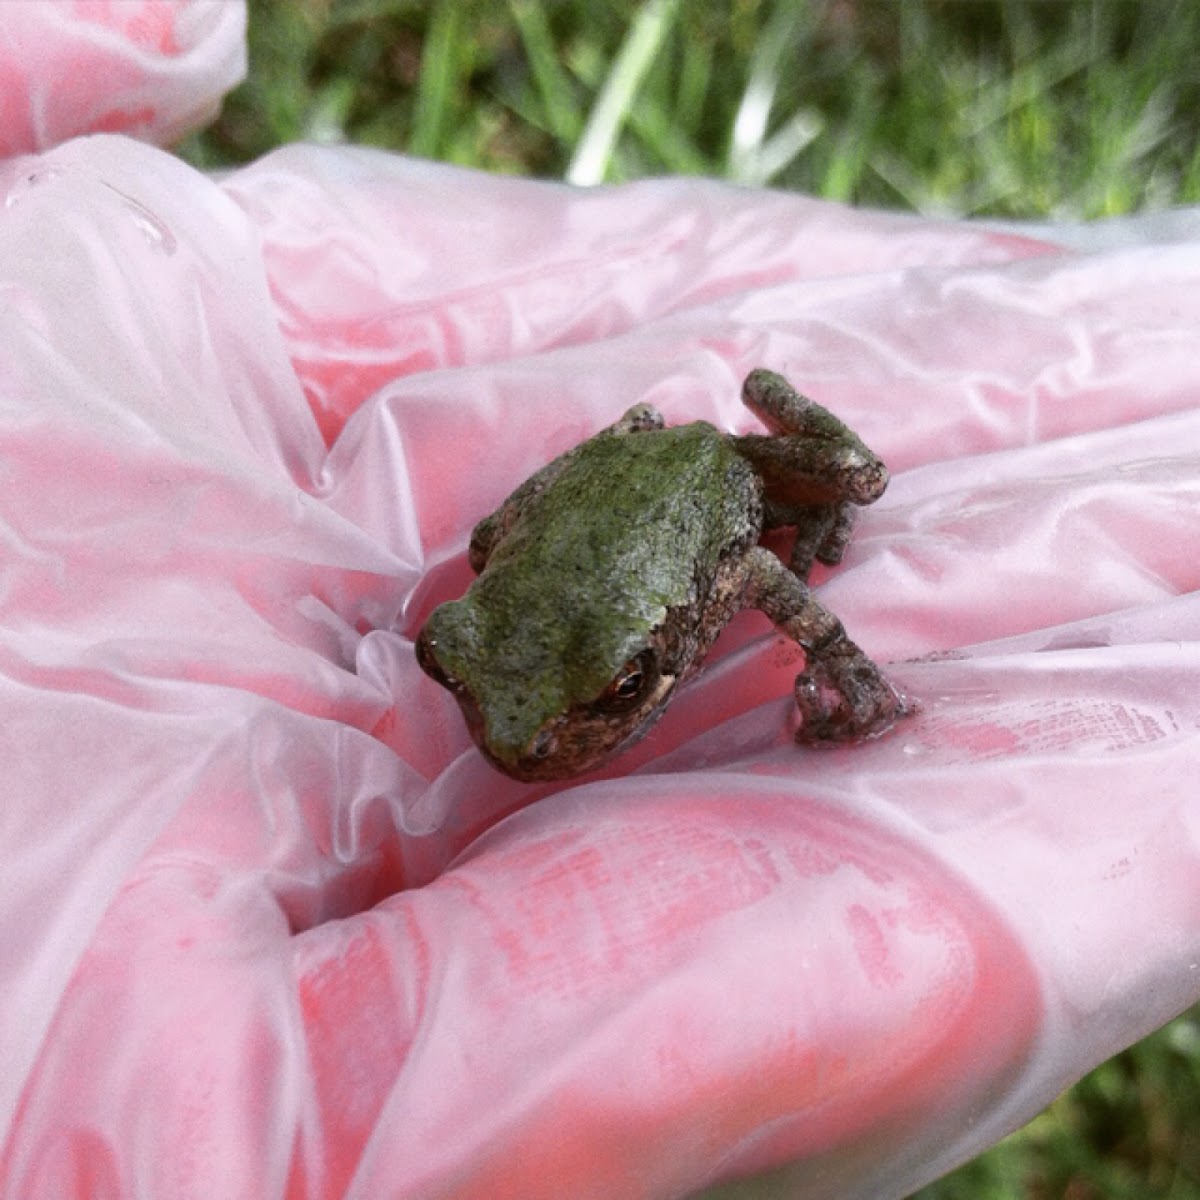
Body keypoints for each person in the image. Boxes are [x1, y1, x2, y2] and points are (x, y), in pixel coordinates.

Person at [1, 5, 1198, 1197]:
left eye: (610, 696)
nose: (519, 743)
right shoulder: (514, 625)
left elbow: (767, 570)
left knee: (861, 481)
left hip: (706, 477)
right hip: (603, 509)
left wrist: (850, 673)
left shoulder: (714, 562)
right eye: (454, 666)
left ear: (651, 654)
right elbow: (492, 560)